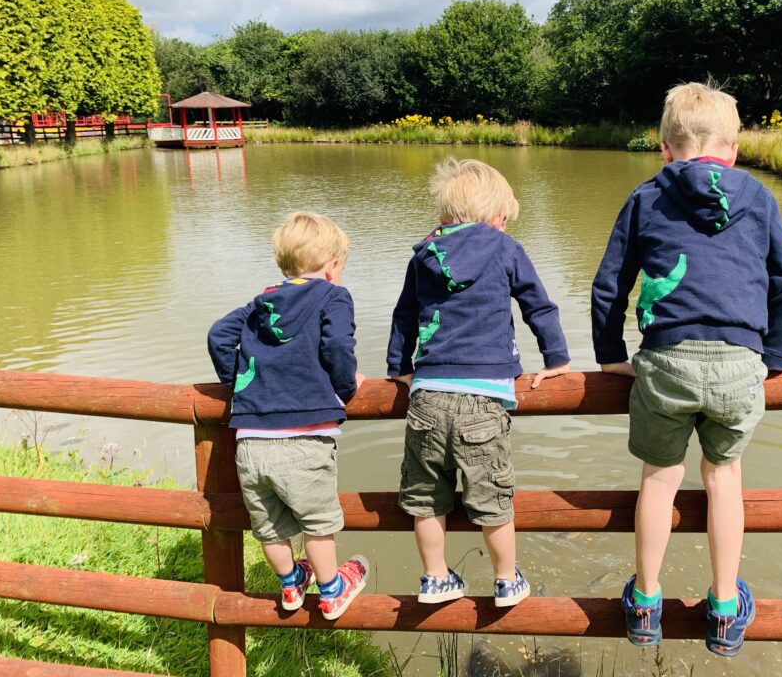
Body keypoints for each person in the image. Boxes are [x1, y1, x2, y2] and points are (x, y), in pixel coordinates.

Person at [591, 82, 782, 655]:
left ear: (665, 148)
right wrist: (775, 361)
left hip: (664, 362)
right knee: (724, 481)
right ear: (732, 150)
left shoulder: (645, 197)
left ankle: (644, 602)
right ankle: (723, 608)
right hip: (740, 363)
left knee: (660, 481)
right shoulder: (757, 196)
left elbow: (609, 285)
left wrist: (611, 356)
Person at [387, 157, 570, 607]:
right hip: (484, 399)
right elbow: (538, 306)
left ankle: (434, 577)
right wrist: (557, 359)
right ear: (499, 218)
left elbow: (404, 315)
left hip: (427, 396)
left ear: (444, 216)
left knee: (427, 499)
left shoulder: (424, 254)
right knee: (492, 498)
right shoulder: (505, 248)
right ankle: (506, 579)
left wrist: (399, 367)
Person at [207, 211, 369, 619]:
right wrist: (347, 387)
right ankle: (332, 591)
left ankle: (291, 584)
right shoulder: (334, 297)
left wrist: (240, 384)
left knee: (270, 526)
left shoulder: (262, 302)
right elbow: (336, 347)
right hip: (305, 437)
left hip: (250, 440)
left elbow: (218, 336)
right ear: (332, 266)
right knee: (317, 523)